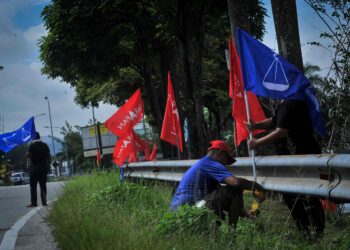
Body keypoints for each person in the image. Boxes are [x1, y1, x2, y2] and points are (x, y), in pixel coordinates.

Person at [247, 99, 325, 238]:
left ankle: (314, 232)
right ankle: (307, 232)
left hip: (301, 156)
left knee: (306, 196)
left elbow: (281, 131)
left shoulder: (291, 103)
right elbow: (274, 121)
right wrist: (256, 125)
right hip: (293, 157)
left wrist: (257, 143)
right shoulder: (285, 105)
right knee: (294, 196)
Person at [170, 140, 265, 227]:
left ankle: (212, 228)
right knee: (235, 189)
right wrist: (255, 186)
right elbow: (236, 182)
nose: (225, 164)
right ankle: (232, 233)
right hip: (191, 209)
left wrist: (246, 213)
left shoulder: (202, 164)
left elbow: (226, 201)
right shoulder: (211, 164)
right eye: (226, 159)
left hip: (178, 212)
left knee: (224, 194)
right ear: (220, 153)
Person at [26, 132, 51, 207]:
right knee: (43, 185)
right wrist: (48, 166)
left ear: (33, 137)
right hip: (43, 167)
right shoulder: (45, 145)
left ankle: (34, 203)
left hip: (34, 168)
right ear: (39, 137)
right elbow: (49, 156)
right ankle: (44, 202)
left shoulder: (31, 145)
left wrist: (27, 153)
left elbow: (28, 155)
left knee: (33, 186)